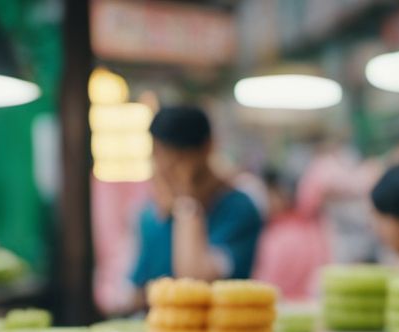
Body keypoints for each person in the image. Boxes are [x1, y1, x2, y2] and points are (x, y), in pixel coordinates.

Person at [131, 105, 262, 300]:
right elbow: (136, 291)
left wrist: (187, 206)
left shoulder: (238, 209)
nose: (165, 167)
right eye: (158, 155)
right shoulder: (151, 214)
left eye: (178, 157)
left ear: (207, 148)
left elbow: (196, 279)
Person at [253, 167, 329, 300]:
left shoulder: (277, 235)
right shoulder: (312, 229)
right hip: (309, 307)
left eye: (267, 193)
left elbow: (266, 285)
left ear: (280, 194)